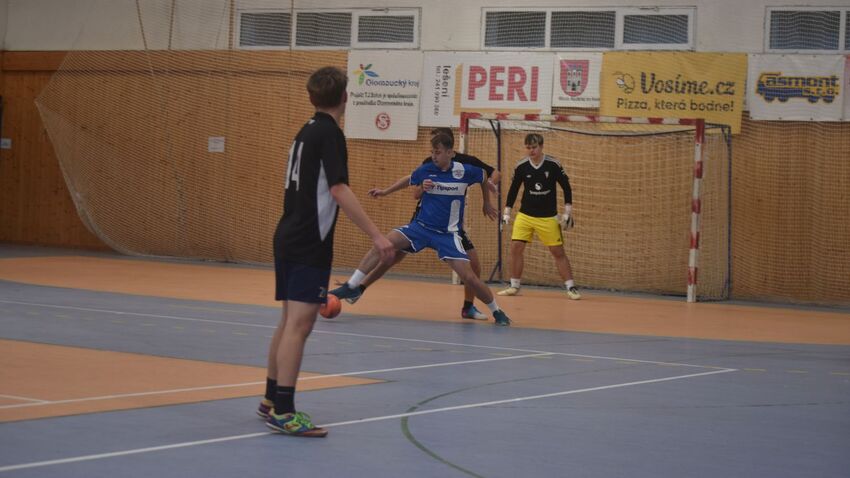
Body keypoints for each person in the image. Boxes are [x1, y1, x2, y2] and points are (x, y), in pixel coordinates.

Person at [258, 66, 394, 438]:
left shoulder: (304, 132)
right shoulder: (330, 134)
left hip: (288, 234)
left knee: (288, 322)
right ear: (345, 97)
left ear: (311, 97)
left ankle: (271, 399)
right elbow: (338, 189)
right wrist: (377, 236)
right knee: (299, 326)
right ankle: (284, 411)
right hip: (308, 241)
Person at [334, 133, 512, 326]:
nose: (434, 156)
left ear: (450, 153)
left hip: (448, 234)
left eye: (438, 152)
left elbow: (484, 177)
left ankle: (497, 311)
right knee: (384, 244)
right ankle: (352, 285)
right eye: (432, 152)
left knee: (469, 277)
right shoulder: (427, 169)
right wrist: (387, 191)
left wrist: (486, 201)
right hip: (420, 227)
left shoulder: (465, 170)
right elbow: (409, 181)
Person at [499, 133, 581, 300]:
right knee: (515, 248)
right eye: (528, 147)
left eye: (534, 147)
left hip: (548, 217)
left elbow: (566, 187)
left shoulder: (553, 164)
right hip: (525, 215)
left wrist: (567, 212)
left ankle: (571, 287)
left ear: (541, 147)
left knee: (558, 251)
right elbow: (514, 189)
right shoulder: (521, 166)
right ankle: (514, 285)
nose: (531, 150)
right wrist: (507, 211)